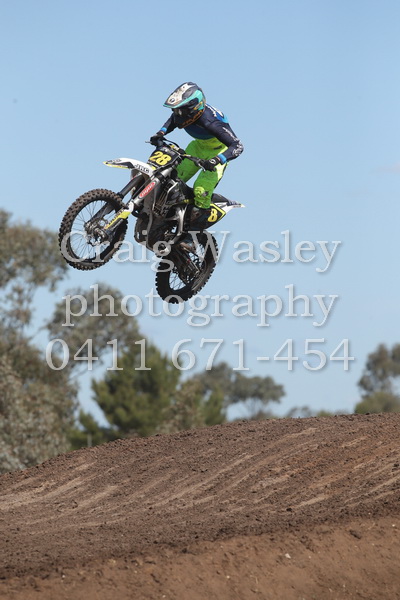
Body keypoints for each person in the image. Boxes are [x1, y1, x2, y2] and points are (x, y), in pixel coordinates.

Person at [150, 82, 243, 231]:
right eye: (175, 110)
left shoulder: (211, 122)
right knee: (172, 178)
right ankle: (168, 215)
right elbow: (173, 119)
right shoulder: (184, 113)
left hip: (217, 152)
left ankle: (192, 233)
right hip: (197, 147)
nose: (177, 114)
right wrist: (161, 133)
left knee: (201, 190)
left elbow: (237, 146)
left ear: (194, 107)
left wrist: (217, 160)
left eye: (180, 110)